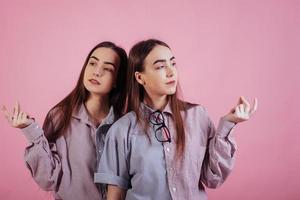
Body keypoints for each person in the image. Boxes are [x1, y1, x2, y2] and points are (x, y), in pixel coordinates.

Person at [94, 39, 258, 200]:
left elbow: (212, 178)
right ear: (140, 78)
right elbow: (115, 194)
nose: (171, 72)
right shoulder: (122, 129)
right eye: (160, 66)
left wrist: (228, 124)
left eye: (173, 63)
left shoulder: (197, 116)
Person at [2, 41, 128, 200]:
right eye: (92, 63)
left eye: (108, 68)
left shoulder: (124, 125)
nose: (97, 72)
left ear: (117, 79)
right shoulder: (60, 117)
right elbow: (48, 179)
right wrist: (30, 130)